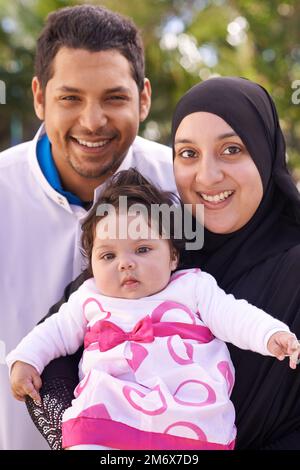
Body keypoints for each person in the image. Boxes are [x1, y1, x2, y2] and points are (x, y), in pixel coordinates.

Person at [7, 169, 300, 451]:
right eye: (108, 255)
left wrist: (270, 334)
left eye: (143, 249)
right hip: (109, 417)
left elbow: (235, 315)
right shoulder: (89, 298)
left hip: (187, 414)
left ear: (172, 256)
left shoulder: (193, 287)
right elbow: (53, 331)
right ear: (92, 265)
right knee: (84, 425)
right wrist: (25, 360)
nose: (125, 264)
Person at [1, 4, 176, 450]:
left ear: (144, 97)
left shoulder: (179, 185)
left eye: (114, 98)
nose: (93, 121)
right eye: (70, 98)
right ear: (39, 97)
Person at [171, 76, 300, 449]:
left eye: (231, 149)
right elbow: (58, 341)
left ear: (264, 152)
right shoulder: (154, 248)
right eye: (188, 154)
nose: (208, 176)